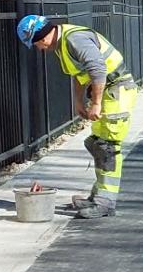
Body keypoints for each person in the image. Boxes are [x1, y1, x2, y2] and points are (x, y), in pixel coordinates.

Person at [16, 15, 135, 219]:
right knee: (97, 144)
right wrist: (79, 101)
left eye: (36, 44)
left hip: (116, 92)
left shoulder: (74, 39)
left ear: (42, 37)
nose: (39, 49)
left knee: (107, 148)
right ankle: (98, 196)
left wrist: (96, 103)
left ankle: (105, 203)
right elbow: (80, 75)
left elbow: (98, 69)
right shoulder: (64, 43)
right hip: (109, 92)